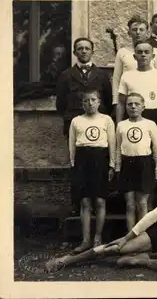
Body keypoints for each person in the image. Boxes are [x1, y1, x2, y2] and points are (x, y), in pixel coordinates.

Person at [55, 37, 113, 215]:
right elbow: (60, 103)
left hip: (98, 128)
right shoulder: (66, 75)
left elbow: (109, 102)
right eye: (80, 49)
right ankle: (78, 205)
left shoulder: (102, 75)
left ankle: (100, 204)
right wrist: (73, 119)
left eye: (87, 48)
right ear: (74, 53)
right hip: (76, 127)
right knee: (77, 166)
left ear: (92, 51)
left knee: (99, 167)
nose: (83, 51)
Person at [68, 89, 116, 253]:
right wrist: (74, 166)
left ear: (99, 102)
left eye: (93, 100)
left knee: (100, 201)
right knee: (85, 202)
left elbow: (112, 143)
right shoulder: (76, 121)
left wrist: (112, 165)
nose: (90, 103)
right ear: (82, 104)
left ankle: (98, 237)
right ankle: (86, 239)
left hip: (100, 159)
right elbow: (72, 145)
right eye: (86, 101)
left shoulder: (106, 120)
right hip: (82, 161)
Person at [116, 93, 157, 232]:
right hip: (127, 164)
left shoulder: (150, 124)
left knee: (142, 203)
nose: (133, 107)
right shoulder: (121, 125)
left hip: (144, 163)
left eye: (137, 104)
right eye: (129, 104)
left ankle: (142, 236)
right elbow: (118, 148)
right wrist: (118, 167)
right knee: (130, 205)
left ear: (143, 106)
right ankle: (130, 236)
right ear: (125, 107)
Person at [116, 40, 157, 133]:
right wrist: (118, 125)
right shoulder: (127, 75)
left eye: (146, 52)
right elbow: (121, 103)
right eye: (139, 52)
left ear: (153, 56)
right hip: (132, 116)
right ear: (134, 57)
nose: (143, 55)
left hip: (155, 115)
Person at [112, 16, 157, 111]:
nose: (138, 32)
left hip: (150, 101)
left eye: (141, 29)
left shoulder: (155, 52)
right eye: (134, 29)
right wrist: (115, 101)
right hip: (130, 102)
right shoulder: (122, 52)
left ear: (147, 33)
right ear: (129, 33)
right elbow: (116, 79)